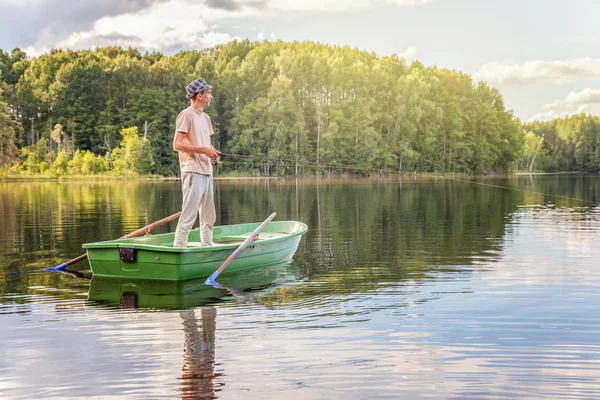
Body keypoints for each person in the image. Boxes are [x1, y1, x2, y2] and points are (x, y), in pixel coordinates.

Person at [173, 78, 221, 248]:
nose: (211, 96)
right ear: (199, 95)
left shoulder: (206, 118)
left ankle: (208, 246)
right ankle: (179, 250)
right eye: (208, 93)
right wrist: (203, 150)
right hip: (192, 171)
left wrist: (213, 153)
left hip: (207, 170)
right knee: (189, 214)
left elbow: (206, 144)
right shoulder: (186, 115)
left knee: (209, 215)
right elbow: (177, 144)